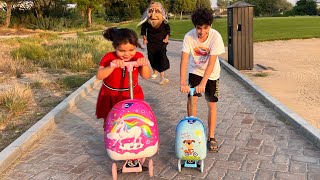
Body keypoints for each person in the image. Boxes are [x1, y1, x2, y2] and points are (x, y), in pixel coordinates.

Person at [180, 8, 225, 153]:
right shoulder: (189, 37)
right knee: (192, 99)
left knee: (211, 104)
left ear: (210, 25)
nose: (202, 31)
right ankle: (191, 129)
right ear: (195, 27)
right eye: (199, 28)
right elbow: (184, 60)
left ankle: (211, 137)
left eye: (205, 27)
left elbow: (211, 63)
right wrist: (182, 82)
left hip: (211, 74)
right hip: (195, 71)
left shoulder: (215, 37)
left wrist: (203, 83)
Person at [96, 27, 151, 129]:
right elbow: (99, 76)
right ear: (115, 47)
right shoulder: (109, 57)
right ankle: (113, 139)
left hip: (132, 94)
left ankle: (131, 138)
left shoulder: (137, 56)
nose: (127, 54)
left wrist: (144, 65)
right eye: (122, 51)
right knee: (112, 122)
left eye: (131, 50)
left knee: (134, 119)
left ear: (136, 46)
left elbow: (146, 76)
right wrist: (111, 66)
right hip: (111, 96)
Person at [138, 1, 170, 85]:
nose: (153, 14)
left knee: (161, 58)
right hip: (151, 43)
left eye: (157, 11)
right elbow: (143, 31)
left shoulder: (164, 23)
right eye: (151, 11)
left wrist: (166, 38)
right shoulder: (147, 23)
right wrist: (144, 39)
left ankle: (162, 77)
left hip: (161, 43)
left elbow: (167, 30)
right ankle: (155, 72)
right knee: (151, 58)